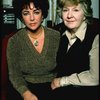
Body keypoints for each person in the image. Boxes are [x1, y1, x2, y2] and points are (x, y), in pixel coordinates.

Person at [7, 0, 60, 100]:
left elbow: (64, 68)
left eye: (36, 12)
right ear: (21, 16)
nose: (32, 18)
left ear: (43, 14)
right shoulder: (14, 41)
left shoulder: (56, 37)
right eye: (26, 13)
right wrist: (26, 94)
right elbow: (14, 75)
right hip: (24, 87)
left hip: (52, 87)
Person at [51, 0, 99, 99]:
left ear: (85, 14)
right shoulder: (58, 34)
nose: (69, 15)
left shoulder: (95, 36)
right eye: (65, 10)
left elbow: (95, 77)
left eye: (76, 10)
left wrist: (61, 81)